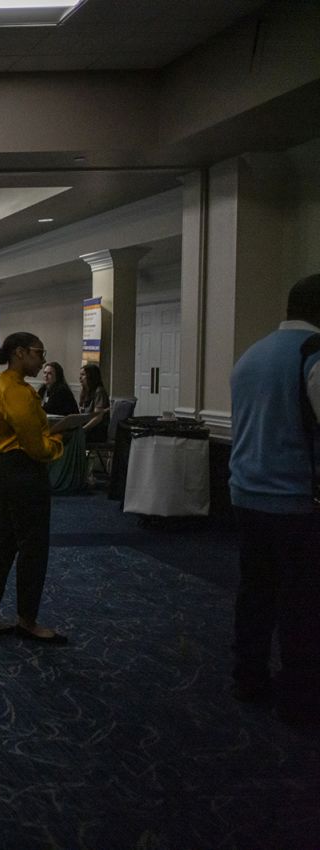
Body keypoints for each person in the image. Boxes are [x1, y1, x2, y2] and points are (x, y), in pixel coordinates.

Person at [228, 273, 320, 726]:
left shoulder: (252, 353)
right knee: (301, 602)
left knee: (255, 592)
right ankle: (299, 697)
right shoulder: (313, 355)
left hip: (248, 494)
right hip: (296, 501)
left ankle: (249, 677)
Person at [0, 332, 77, 644]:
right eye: (38, 352)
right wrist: (58, 442)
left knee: (3, 541)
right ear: (20, 353)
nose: (43, 359)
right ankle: (27, 620)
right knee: (32, 546)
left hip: (1, 466)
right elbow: (36, 445)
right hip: (21, 470)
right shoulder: (16, 390)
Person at [78, 363, 111, 442]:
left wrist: (83, 429)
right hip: (87, 426)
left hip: (96, 430)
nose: (80, 378)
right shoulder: (85, 392)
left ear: (91, 376)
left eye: (83, 375)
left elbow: (97, 417)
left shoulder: (99, 391)